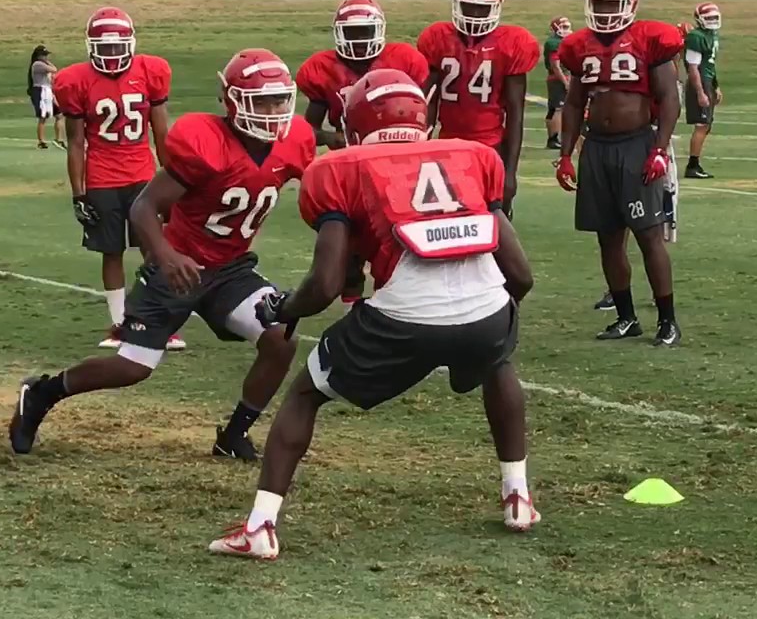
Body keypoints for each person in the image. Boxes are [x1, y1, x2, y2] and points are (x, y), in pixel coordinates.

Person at [207, 69, 538, 561]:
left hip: (404, 311)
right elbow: (522, 275)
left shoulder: (342, 166)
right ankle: (518, 497)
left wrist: (283, 309)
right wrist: (485, 317)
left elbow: (323, 285)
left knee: (305, 393)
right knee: (498, 362)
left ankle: (260, 527)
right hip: (487, 304)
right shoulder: (472, 157)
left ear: (356, 124)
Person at [9, 48, 315, 460]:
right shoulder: (206, 141)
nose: (273, 110)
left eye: (279, 100)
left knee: (281, 339)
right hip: (178, 266)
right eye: (261, 101)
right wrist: (165, 255)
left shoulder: (295, 140)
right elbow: (143, 207)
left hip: (231, 269)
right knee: (132, 367)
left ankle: (233, 435)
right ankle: (42, 393)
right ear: (232, 101)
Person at [554, 0, 683, 346]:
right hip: (596, 147)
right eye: (600, 3)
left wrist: (659, 149)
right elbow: (575, 103)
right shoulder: (578, 46)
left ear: (631, 4)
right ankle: (626, 317)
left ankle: (667, 320)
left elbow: (670, 99)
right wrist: (565, 155)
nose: (606, 11)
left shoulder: (650, 39)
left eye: (613, 3)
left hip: (636, 144)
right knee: (607, 239)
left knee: (648, 237)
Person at [53, 7, 185, 350]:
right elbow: (76, 142)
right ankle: (118, 324)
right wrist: (78, 194)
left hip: (142, 175)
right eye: (105, 46)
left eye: (117, 46)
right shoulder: (75, 80)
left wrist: (172, 182)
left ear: (131, 43)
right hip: (102, 178)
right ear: (91, 46)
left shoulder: (150, 71)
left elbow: (161, 133)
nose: (111, 53)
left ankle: (157, 322)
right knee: (111, 252)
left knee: (154, 249)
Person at [296, 0, 430, 305]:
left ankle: (398, 299)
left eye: (365, 31)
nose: (359, 39)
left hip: (396, 164)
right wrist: (330, 136)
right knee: (349, 245)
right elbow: (308, 129)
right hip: (351, 165)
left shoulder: (404, 60)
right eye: (353, 32)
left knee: (396, 235)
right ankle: (353, 306)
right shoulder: (323, 69)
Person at [417, 0, 539, 220]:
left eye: (481, 9)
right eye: (468, 7)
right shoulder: (438, 38)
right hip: (446, 144)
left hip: (490, 147)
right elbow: (427, 101)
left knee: (494, 226)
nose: (474, 15)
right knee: (445, 222)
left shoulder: (512, 43)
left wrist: (510, 171)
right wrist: (420, 147)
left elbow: (516, 113)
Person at [682, 3, 722, 179]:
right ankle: (693, 165)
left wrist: (716, 85)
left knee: (706, 125)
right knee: (702, 125)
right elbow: (693, 67)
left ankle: (694, 163)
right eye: (709, 18)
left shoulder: (711, 35)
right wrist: (700, 92)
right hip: (699, 82)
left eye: (714, 17)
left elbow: (709, 65)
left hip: (707, 81)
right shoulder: (696, 37)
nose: (712, 21)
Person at [542, 16, 572, 150]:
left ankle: (552, 138)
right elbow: (556, 65)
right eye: (563, 27)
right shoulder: (555, 43)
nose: (567, 30)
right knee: (558, 109)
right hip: (558, 78)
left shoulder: (557, 42)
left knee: (553, 109)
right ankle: (554, 138)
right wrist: (565, 82)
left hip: (555, 78)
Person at [27, 45, 64, 150]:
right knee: (43, 116)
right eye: (44, 55)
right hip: (41, 91)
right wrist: (47, 63)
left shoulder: (41, 64)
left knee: (59, 115)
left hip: (47, 91)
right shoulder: (38, 64)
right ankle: (41, 141)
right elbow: (54, 69)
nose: (46, 58)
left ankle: (59, 139)